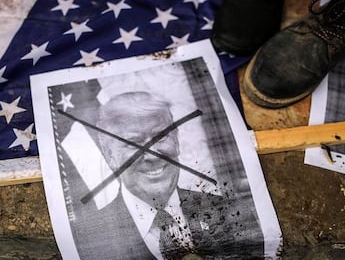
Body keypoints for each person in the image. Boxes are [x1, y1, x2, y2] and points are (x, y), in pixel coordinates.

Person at [72, 91, 264, 260]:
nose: (153, 153)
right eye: (132, 142)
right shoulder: (87, 240)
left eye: (161, 136)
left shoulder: (232, 213)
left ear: (177, 140)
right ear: (110, 155)